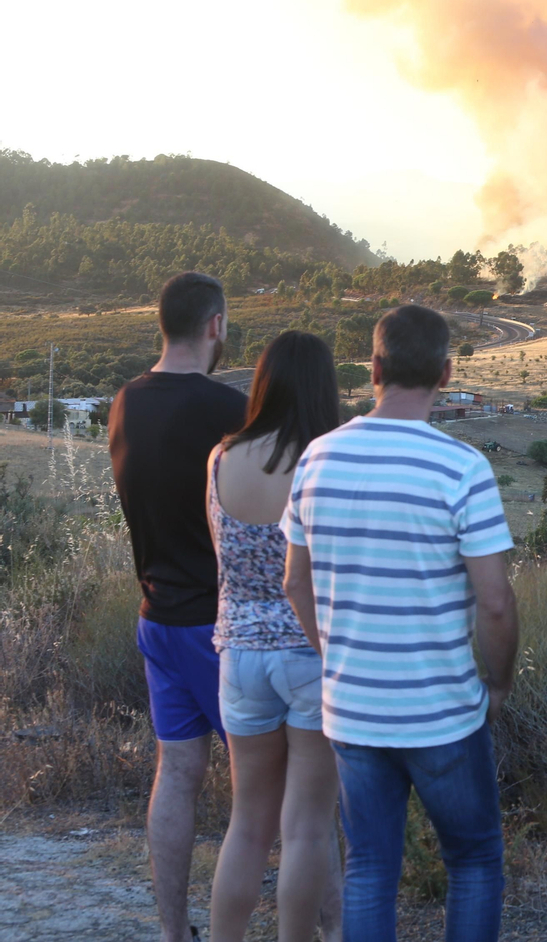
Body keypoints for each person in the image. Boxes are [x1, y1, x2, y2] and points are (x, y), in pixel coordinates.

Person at [282, 304, 519, 942]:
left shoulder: (317, 459)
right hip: (441, 710)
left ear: (375, 366)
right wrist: (496, 686)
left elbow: (294, 582)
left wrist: (333, 656)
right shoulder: (462, 469)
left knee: (369, 868)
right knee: (472, 859)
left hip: (352, 709)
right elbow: (495, 603)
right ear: (446, 373)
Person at [109, 271, 247, 942]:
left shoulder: (123, 402)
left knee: (177, 773)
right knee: (273, 791)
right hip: (215, 627)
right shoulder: (226, 410)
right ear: (215, 325)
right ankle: (331, 925)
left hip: (155, 617)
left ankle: (174, 933)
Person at [207, 332, 344, 942]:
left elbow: (223, 558)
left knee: (247, 824)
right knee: (308, 825)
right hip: (311, 652)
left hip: (239, 653)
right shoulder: (325, 462)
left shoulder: (220, 458)